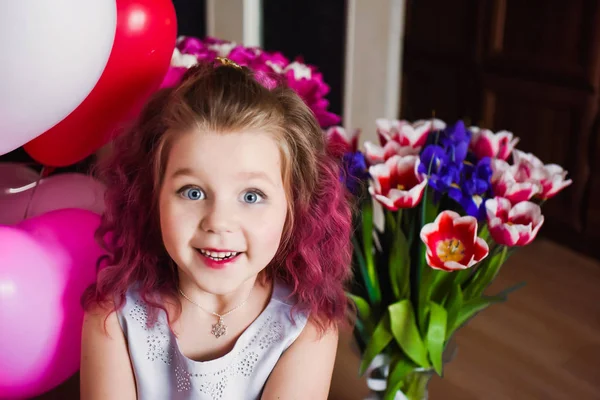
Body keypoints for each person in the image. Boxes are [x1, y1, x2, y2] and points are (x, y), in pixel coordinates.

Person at [80, 57, 354, 400]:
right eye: (192, 192)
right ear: (152, 197)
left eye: (252, 196)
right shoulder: (113, 319)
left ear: (294, 207)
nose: (218, 222)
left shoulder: (304, 329)